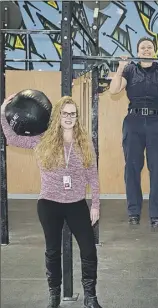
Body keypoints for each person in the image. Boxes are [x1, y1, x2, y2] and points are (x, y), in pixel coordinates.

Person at [1, 95, 103, 308]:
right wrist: (3, 112)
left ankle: (90, 297)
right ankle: (54, 296)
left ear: (77, 117)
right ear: (57, 115)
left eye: (72, 114)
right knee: (53, 250)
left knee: (88, 250)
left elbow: (93, 175)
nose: (69, 117)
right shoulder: (42, 139)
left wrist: (95, 205)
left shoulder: (85, 143)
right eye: (65, 113)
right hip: (49, 203)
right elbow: (12, 139)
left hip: (76, 203)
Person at [109, 37, 158, 228]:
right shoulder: (130, 69)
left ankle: (156, 215)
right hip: (133, 122)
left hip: (157, 122)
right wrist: (120, 66)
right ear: (138, 50)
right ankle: (133, 212)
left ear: (154, 50)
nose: (146, 50)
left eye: (149, 47)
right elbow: (114, 90)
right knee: (132, 168)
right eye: (143, 47)